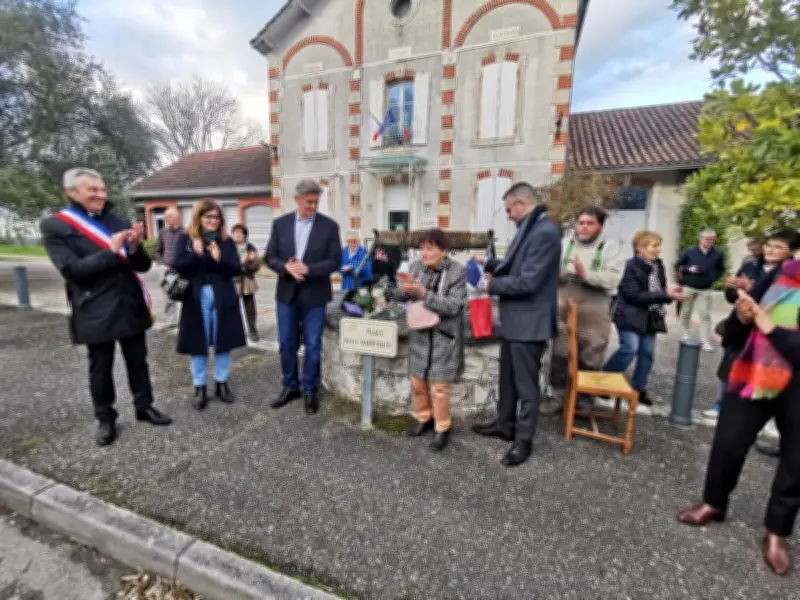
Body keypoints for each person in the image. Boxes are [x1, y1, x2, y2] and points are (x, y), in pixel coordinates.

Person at [678, 259, 800, 577]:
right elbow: (741, 320)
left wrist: (767, 324)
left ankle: (777, 532)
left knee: (795, 463)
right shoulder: (782, 272)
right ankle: (714, 502)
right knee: (728, 442)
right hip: (755, 371)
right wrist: (745, 318)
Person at [40, 167, 172, 446]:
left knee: (138, 362)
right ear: (72, 192)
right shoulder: (56, 226)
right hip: (95, 308)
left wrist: (135, 248)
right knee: (100, 368)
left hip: (129, 304)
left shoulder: (117, 221)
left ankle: (144, 406)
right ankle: (106, 418)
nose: (101, 195)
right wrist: (111, 252)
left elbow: (143, 266)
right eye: (93, 190)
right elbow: (73, 270)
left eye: (102, 189)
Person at [471, 182, 561, 467]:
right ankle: (504, 425)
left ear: (522, 204)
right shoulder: (530, 228)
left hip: (529, 323)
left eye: (509, 209)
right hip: (515, 320)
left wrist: (490, 284)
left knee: (526, 385)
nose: (508, 215)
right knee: (507, 378)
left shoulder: (545, 232)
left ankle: (523, 441)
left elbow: (528, 281)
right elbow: (517, 264)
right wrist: (491, 263)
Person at [265, 179, 341, 414]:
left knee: (313, 346)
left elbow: (335, 261)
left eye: (316, 202)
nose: (312, 207)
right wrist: (285, 268)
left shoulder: (329, 227)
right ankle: (290, 387)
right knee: (287, 343)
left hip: (314, 294)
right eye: (308, 202)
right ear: (296, 199)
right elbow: (270, 257)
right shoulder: (280, 224)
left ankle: (310, 389)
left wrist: (309, 269)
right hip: (286, 293)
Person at [541, 205, 624, 414]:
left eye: (590, 223)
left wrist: (585, 274)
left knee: (591, 354)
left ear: (600, 226)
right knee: (560, 355)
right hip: (563, 309)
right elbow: (549, 272)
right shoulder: (564, 244)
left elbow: (613, 278)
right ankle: (557, 397)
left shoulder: (610, 247)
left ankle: (584, 399)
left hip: (594, 313)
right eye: (581, 223)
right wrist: (562, 273)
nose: (584, 227)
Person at [393, 229, 467, 451]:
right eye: (422, 247)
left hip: (443, 336)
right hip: (420, 334)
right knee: (417, 381)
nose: (424, 253)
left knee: (439, 386)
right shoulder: (416, 267)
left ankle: (442, 427)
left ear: (444, 250)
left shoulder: (457, 272)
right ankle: (424, 418)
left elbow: (454, 306)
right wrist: (402, 288)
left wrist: (423, 293)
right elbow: (400, 297)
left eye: (430, 248)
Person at [173, 200, 246, 409]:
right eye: (209, 217)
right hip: (196, 298)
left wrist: (218, 258)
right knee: (199, 343)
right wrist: (195, 255)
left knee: (223, 341)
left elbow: (234, 269)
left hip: (223, 296)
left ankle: (222, 383)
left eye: (217, 217)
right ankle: (200, 387)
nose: (213, 221)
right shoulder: (186, 239)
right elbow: (179, 267)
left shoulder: (227, 241)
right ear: (199, 218)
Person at [602, 231, 689, 406]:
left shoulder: (658, 266)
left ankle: (639, 388)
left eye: (659, 245)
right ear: (640, 248)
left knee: (647, 353)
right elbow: (633, 295)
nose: (659, 249)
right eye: (654, 245)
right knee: (630, 348)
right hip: (628, 315)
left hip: (651, 316)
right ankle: (604, 381)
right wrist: (664, 294)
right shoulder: (629, 266)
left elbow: (660, 291)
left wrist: (670, 294)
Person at [676, 229, 726, 351]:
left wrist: (713, 278)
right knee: (686, 313)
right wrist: (689, 269)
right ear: (700, 238)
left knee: (705, 315)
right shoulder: (689, 251)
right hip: (688, 287)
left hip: (706, 289)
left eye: (712, 239)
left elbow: (721, 269)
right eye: (707, 239)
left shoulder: (718, 253)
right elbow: (678, 266)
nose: (709, 241)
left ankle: (705, 341)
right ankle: (685, 334)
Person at [231, 224, 261, 342]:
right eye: (235, 233)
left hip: (247, 281)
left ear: (245, 235)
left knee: (250, 308)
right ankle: (235, 331)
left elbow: (255, 266)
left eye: (240, 233)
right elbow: (228, 265)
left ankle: (252, 330)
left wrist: (247, 263)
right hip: (233, 281)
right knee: (233, 308)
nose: (237, 235)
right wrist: (241, 263)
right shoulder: (229, 247)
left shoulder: (250, 247)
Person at [155, 207, 184, 328]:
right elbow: (158, 250)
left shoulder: (185, 232)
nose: (167, 219)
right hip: (167, 269)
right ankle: (171, 321)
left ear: (178, 218)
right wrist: (161, 262)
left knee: (182, 294)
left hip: (182, 269)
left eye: (170, 217)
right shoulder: (163, 232)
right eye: (166, 217)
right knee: (168, 295)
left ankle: (183, 320)